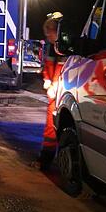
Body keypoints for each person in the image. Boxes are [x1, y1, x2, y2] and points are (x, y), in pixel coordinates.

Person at [38, 12, 65, 170]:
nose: (47, 35)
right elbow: (48, 65)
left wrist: (54, 85)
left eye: (50, 32)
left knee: (51, 125)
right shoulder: (52, 46)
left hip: (58, 89)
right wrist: (46, 79)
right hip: (54, 88)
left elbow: (61, 67)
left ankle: (46, 161)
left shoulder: (61, 46)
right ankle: (47, 159)